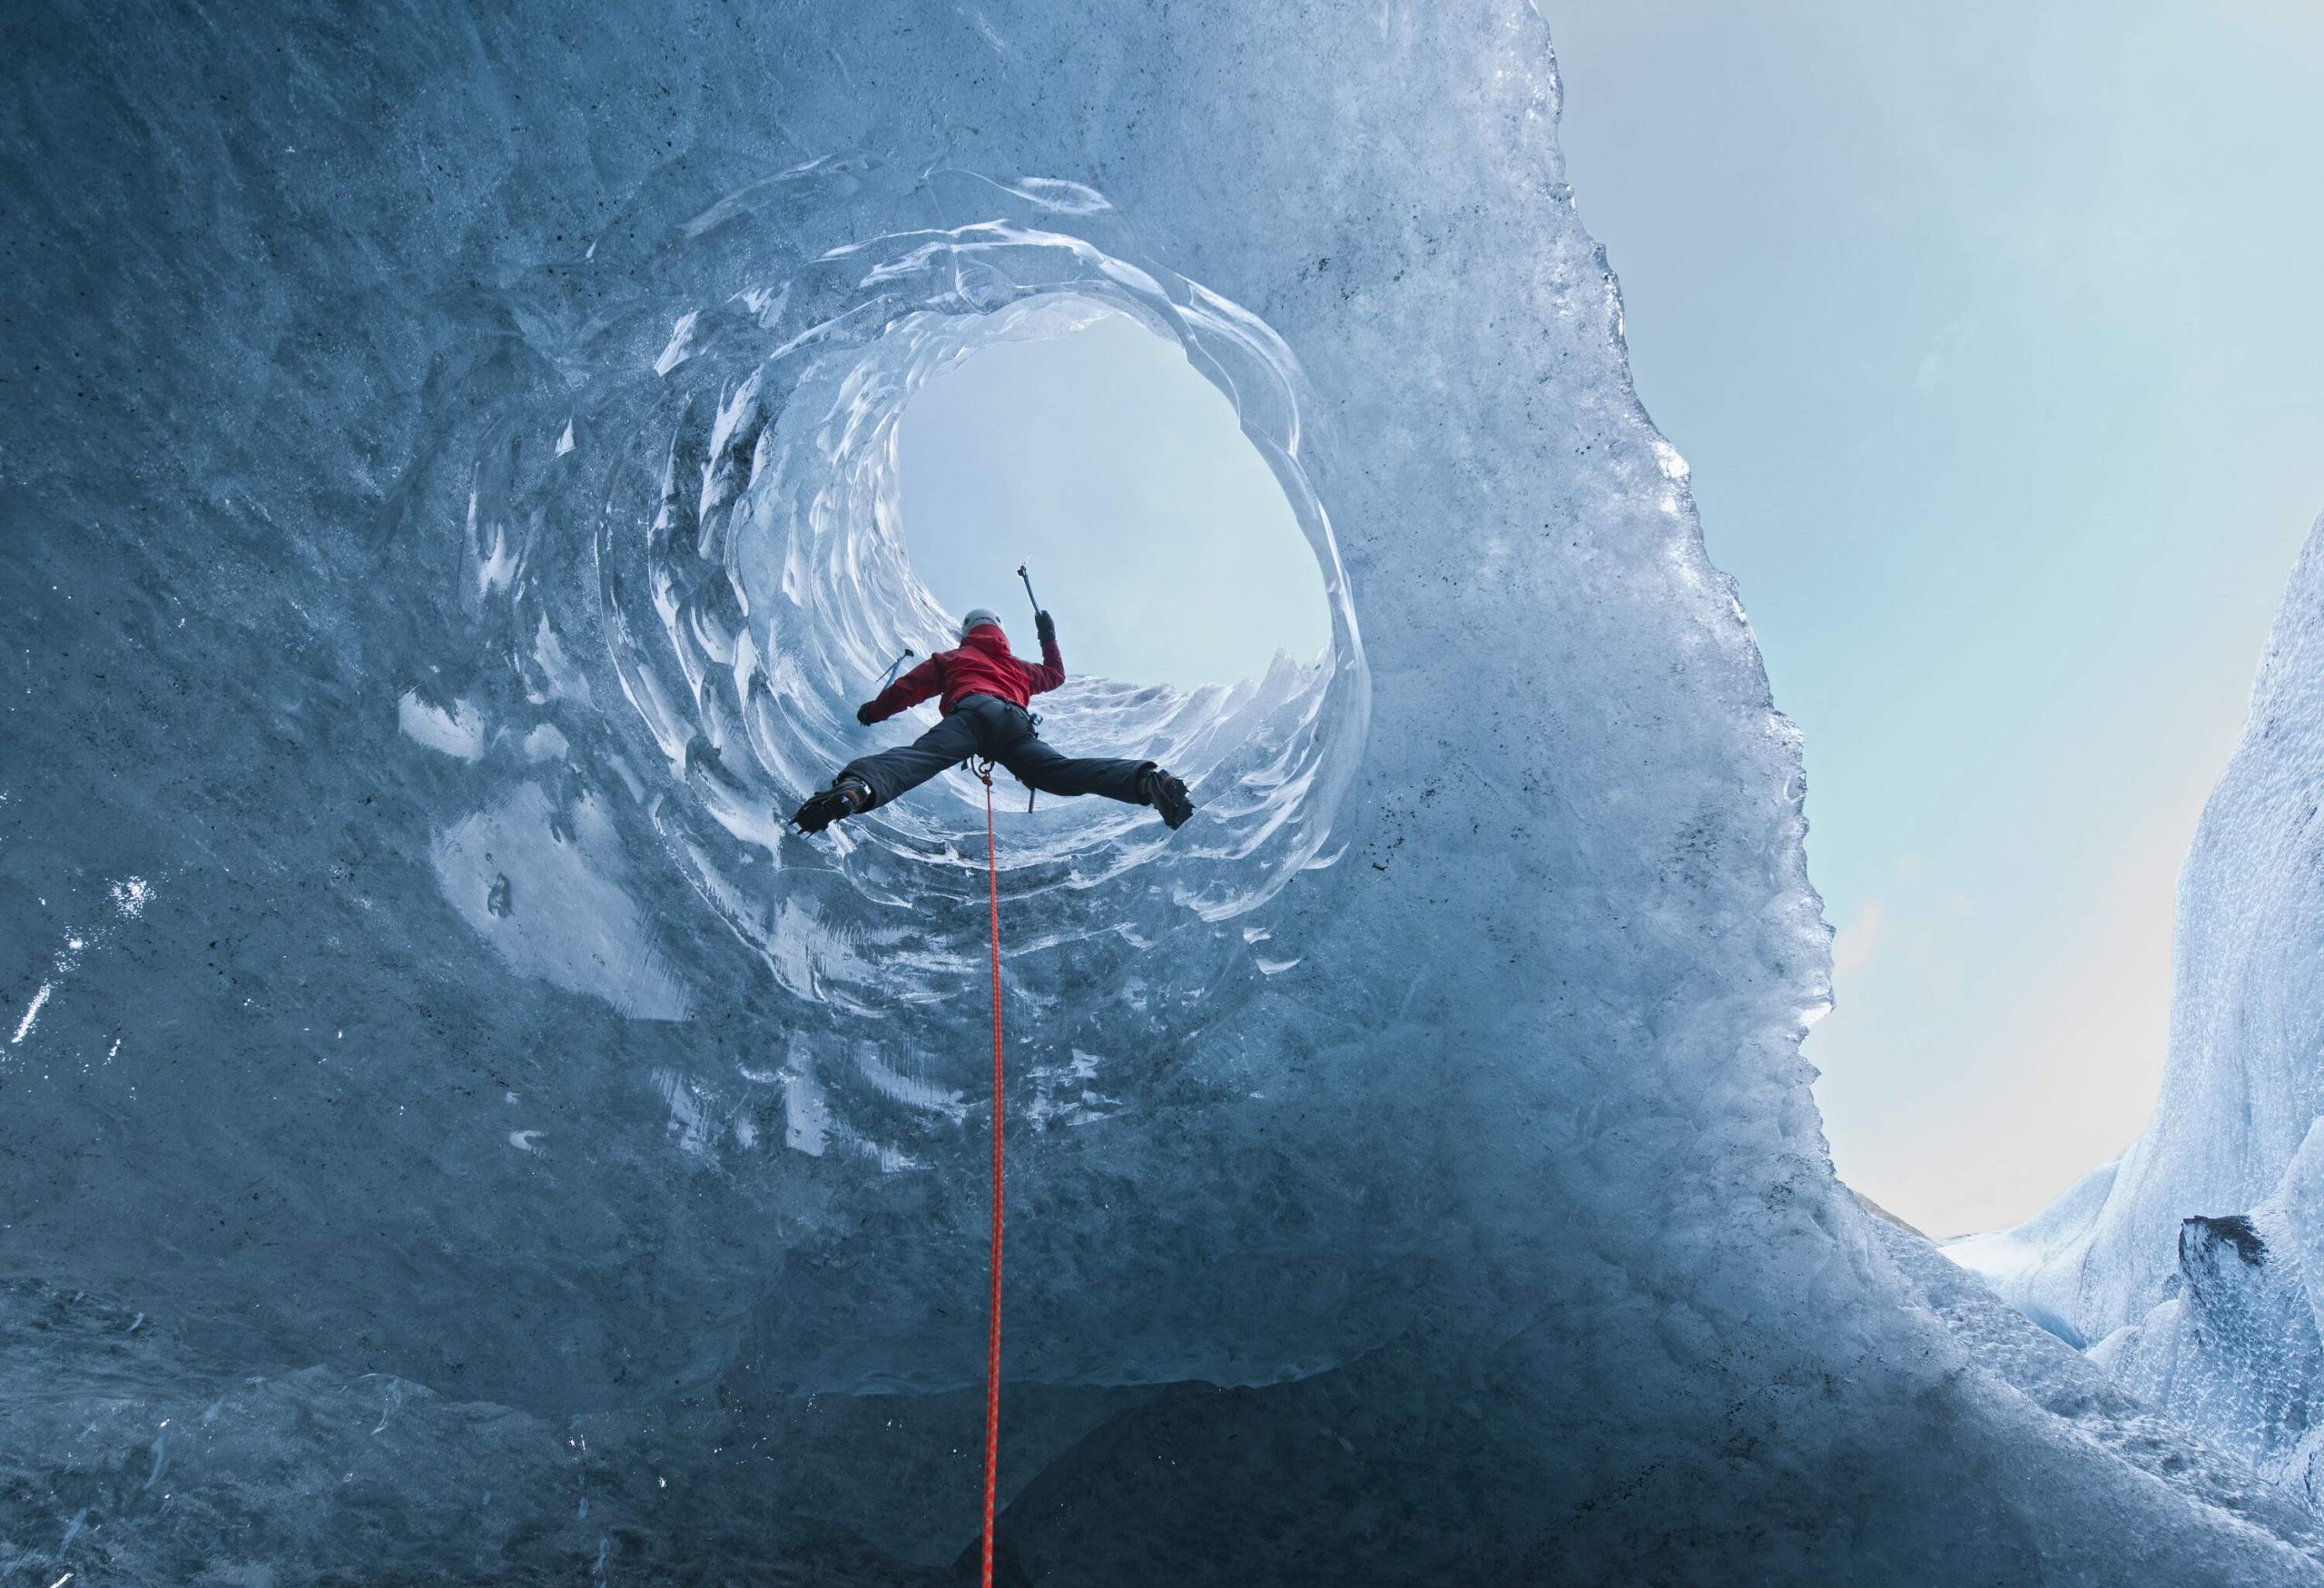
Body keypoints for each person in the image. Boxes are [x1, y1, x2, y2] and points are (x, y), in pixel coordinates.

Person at [790, 607, 1196, 834]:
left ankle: (857, 789)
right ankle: (1147, 780)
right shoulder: (1017, 666)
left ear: (966, 632)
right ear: (1000, 633)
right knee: (1057, 772)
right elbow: (1055, 675)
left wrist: (872, 712)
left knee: (923, 758)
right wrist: (1048, 634)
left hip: (972, 714)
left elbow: (908, 689)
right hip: (1016, 723)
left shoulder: (954, 658)